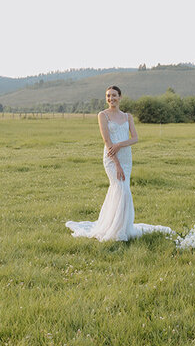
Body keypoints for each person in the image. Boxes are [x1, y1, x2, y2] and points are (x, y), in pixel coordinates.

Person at [66, 86, 171, 242]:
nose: (111, 99)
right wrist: (117, 164)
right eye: (108, 96)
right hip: (111, 158)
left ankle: (123, 227)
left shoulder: (127, 116)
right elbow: (107, 141)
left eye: (114, 95)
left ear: (120, 97)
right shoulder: (103, 115)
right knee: (120, 189)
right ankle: (114, 228)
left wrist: (121, 145)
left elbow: (135, 138)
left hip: (126, 157)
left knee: (124, 190)